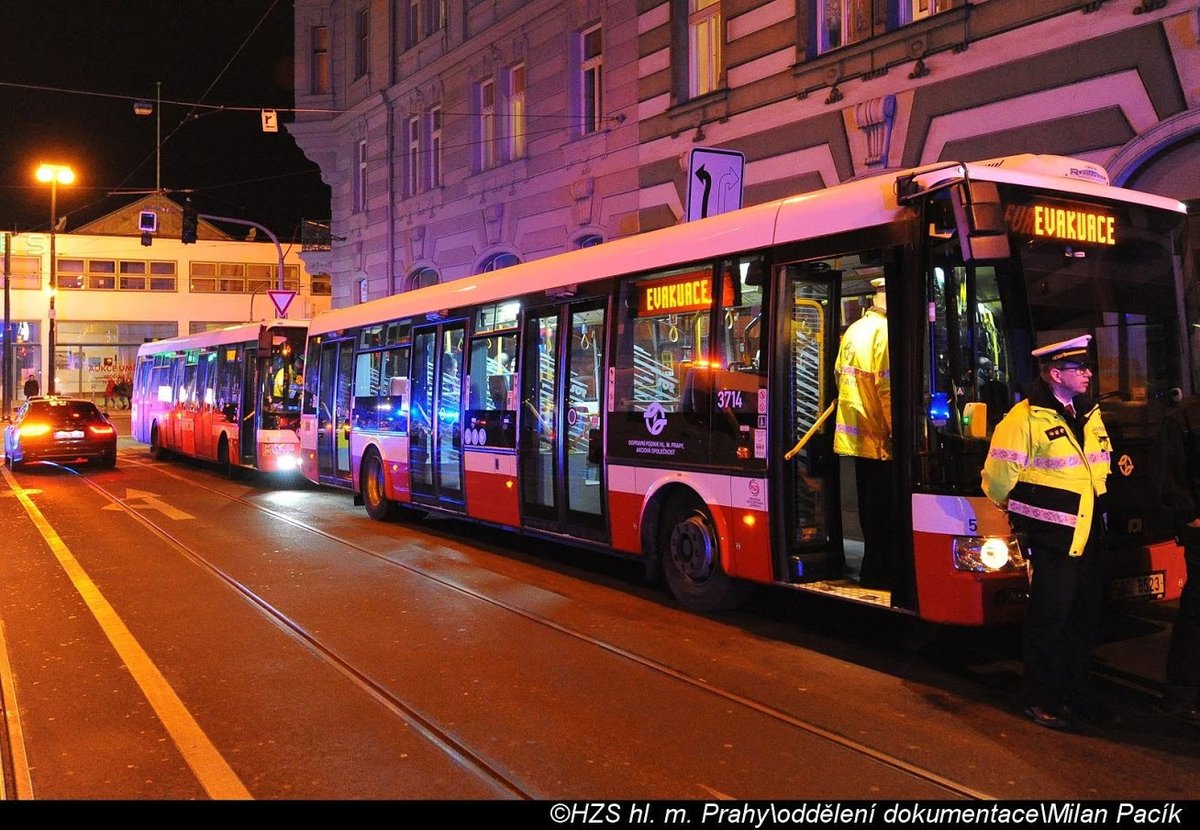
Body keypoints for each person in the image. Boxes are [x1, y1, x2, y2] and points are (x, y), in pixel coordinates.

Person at [982, 334, 1116, 729]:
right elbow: (997, 479)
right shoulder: (1023, 419)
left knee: (1084, 619)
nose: (1088, 373)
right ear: (1056, 373)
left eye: (1087, 367)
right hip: (1053, 539)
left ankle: (1079, 697)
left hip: (1090, 535)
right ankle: (1041, 699)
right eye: (1080, 368)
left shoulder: (1089, 414)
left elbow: (1099, 470)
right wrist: (1023, 513)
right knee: (1049, 620)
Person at [833, 277, 892, 589]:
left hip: (856, 437)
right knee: (885, 514)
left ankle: (872, 571)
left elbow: (836, 377)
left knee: (869, 512)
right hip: (881, 440)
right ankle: (882, 575)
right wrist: (902, 433)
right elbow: (888, 390)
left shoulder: (855, 330)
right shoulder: (884, 332)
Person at [1150, 392, 1200, 723]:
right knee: (1196, 616)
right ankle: (1181, 696)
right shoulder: (1183, 419)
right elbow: (1168, 480)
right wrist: (1193, 518)